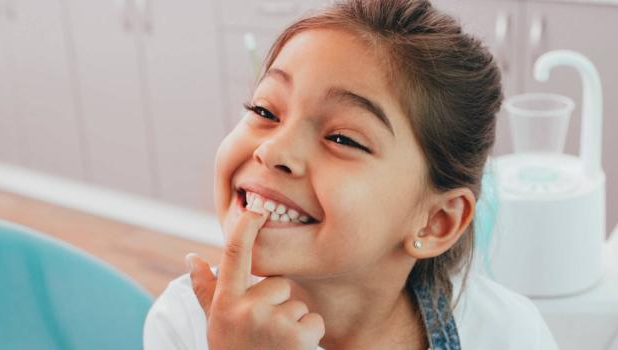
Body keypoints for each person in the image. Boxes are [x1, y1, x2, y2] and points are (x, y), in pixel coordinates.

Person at [143, 0, 559, 348]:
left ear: (435, 221)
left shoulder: (509, 334)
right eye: (264, 110)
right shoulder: (184, 325)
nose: (272, 150)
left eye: (342, 139)